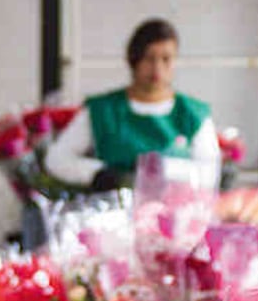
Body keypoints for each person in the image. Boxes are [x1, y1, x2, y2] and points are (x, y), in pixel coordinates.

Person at [45, 18, 219, 191]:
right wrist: (96, 173)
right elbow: (57, 159)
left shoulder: (193, 114)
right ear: (133, 60)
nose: (157, 68)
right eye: (149, 58)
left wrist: (164, 170)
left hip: (177, 212)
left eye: (166, 59)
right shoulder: (102, 110)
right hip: (112, 211)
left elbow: (209, 173)